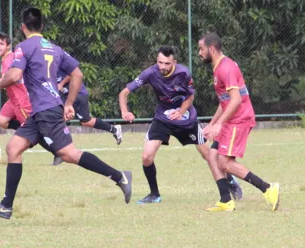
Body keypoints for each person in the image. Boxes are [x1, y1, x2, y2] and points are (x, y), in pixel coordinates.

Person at [0, 7, 132, 219]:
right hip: (42, 111)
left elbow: (14, 75)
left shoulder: (24, 47)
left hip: (47, 111)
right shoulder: (54, 48)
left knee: (69, 154)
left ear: (23, 27)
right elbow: (77, 74)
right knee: (13, 148)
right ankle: (6, 206)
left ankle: (120, 176)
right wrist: (69, 103)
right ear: (41, 26)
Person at [119, 46, 242, 204]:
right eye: (160, 63)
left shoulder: (183, 73)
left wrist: (180, 111)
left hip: (186, 118)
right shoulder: (150, 72)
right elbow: (124, 93)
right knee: (146, 156)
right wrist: (124, 111)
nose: (162, 67)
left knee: (208, 155)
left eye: (167, 64)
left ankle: (230, 180)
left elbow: (190, 97)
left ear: (174, 63)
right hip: (163, 117)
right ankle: (154, 194)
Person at [198, 32, 280, 211]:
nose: (199, 52)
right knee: (212, 156)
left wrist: (219, 124)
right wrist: (212, 124)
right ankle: (226, 200)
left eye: (201, 49)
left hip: (239, 119)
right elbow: (224, 101)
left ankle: (267, 188)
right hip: (231, 118)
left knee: (225, 163)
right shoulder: (218, 67)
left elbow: (236, 100)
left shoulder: (225, 68)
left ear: (211, 49)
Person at [0, 32, 59, 164]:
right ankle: (25, 127)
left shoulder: (9, 59)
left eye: (1, 44)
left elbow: (7, 79)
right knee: (2, 121)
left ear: (8, 46)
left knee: (36, 130)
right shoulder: (6, 58)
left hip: (21, 100)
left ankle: (57, 152)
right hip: (12, 100)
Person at [57, 70, 123, 145]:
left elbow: (74, 73)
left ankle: (114, 129)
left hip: (78, 94)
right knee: (59, 115)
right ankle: (60, 144)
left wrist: (61, 84)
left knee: (86, 121)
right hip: (65, 95)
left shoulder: (60, 59)